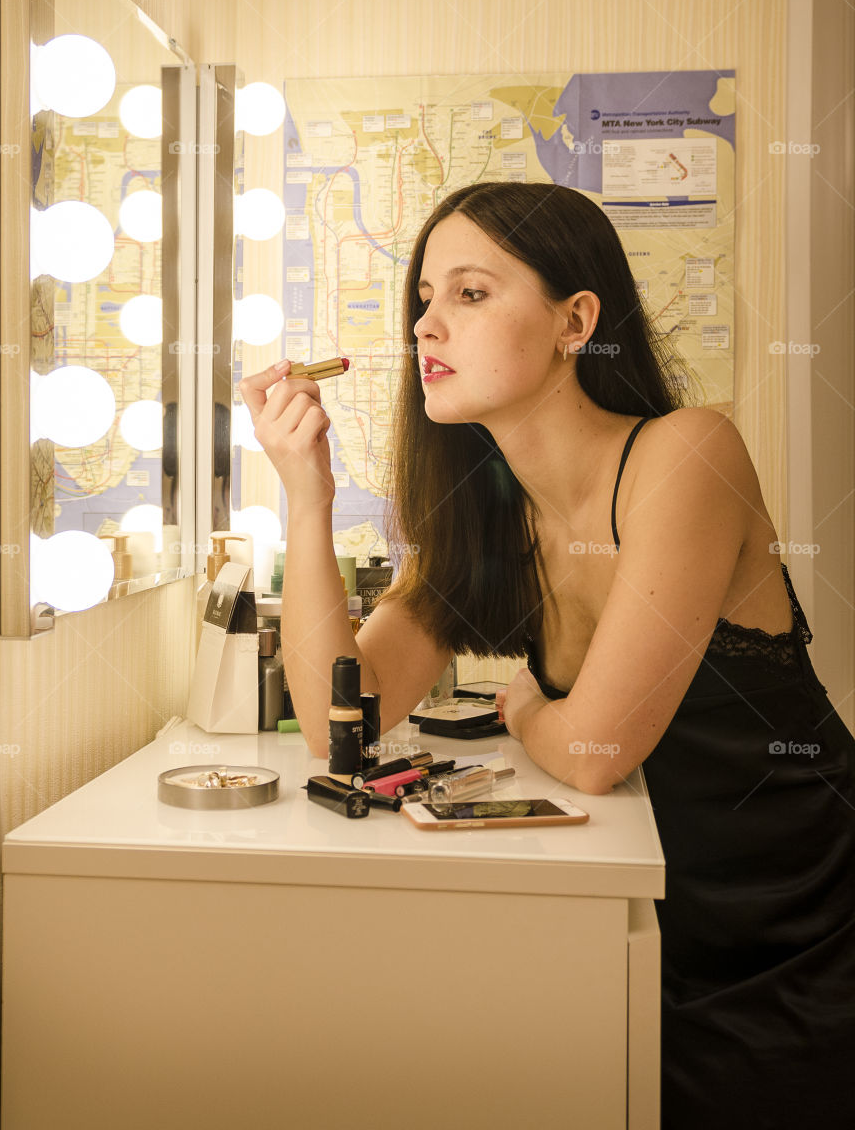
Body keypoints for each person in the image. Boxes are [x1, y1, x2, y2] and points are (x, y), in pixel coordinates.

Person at [239, 181, 855, 1129]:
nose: (425, 327)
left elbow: (598, 757)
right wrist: (306, 498)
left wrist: (522, 701)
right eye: (424, 299)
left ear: (577, 321)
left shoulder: (688, 455)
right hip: (654, 930)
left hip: (811, 930)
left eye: (470, 294)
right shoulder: (485, 523)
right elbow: (334, 728)